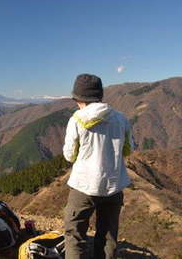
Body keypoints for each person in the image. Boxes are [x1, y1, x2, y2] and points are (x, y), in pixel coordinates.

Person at [62, 74, 133, 259]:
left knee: (74, 234)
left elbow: (69, 155)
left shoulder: (76, 120)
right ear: (100, 95)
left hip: (84, 186)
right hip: (114, 185)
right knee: (108, 236)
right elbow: (128, 150)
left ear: (78, 98)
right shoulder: (121, 119)